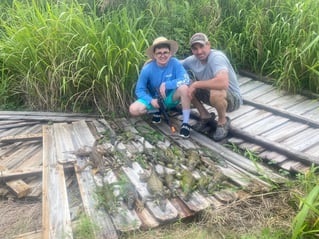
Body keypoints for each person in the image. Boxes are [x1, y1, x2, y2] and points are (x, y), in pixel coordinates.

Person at [182, 33, 242, 141]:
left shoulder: (216, 57)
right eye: (195, 49)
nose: (199, 52)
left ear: (208, 45)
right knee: (185, 84)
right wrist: (154, 61)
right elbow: (175, 65)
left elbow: (223, 83)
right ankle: (205, 116)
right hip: (210, 95)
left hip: (232, 99)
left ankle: (222, 122)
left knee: (216, 90)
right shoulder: (191, 61)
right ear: (192, 50)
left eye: (201, 47)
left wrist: (196, 84)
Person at [129, 36, 192, 138]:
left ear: (170, 53)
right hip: (155, 100)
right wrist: (151, 101)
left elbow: (186, 79)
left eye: (165, 52)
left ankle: (185, 123)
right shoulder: (147, 69)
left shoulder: (175, 63)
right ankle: (156, 111)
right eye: (159, 53)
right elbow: (139, 90)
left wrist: (167, 84)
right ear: (154, 55)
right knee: (133, 109)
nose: (163, 55)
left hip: (170, 98)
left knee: (184, 88)